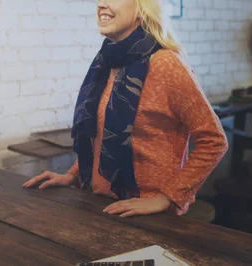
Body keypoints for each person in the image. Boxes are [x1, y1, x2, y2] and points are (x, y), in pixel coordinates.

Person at [23, 0, 229, 218]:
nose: (101, 4)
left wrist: (166, 197)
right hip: (103, 202)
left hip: (151, 214)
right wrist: (73, 174)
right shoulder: (106, 62)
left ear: (142, 8)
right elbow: (102, 134)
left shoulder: (166, 64)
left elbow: (214, 141)